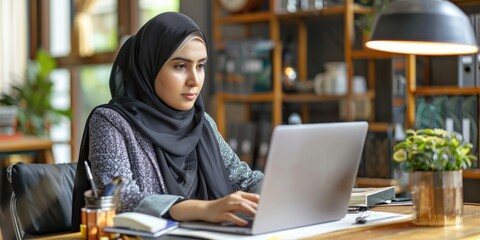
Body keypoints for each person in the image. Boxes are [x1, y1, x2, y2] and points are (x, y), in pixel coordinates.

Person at [71, 12, 264, 231]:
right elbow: (119, 198)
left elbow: (244, 180)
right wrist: (204, 210)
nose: (194, 80)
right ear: (149, 67)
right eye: (181, 66)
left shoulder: (202, 123)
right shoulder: (111, 122)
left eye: (200, 66)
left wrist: (285, 191)